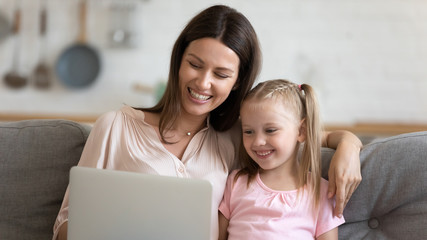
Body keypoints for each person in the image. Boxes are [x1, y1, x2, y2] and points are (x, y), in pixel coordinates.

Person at [53, 5, 362, 240]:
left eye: (221, 74)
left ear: (237, 83)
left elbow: (301, 134)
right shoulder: (115, 127)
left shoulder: (235, 137)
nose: (203, 82)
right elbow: (65, 223)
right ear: (178, 62)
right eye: (195, 65)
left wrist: (349, 145)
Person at [218, 79, 345, 240]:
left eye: (270, 130)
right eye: (249, 131)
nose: (257, 141)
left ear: (301, 131)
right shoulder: (236, 183)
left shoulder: (321, 192)